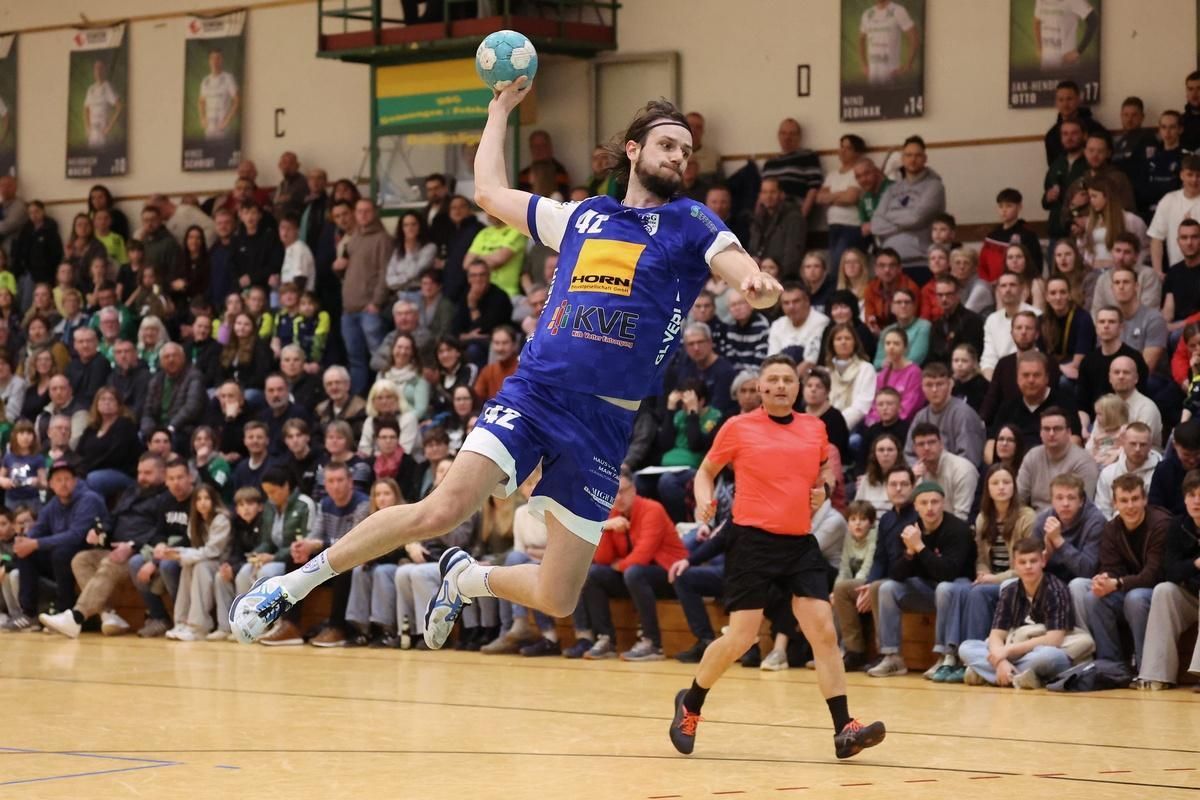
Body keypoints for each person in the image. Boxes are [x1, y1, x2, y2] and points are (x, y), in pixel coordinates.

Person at [230, 87, 782, 667]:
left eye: (686, 151)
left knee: (558, 596)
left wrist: (756, 284)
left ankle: (468, 580)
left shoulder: (691, 222)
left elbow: (741, 270)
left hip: (604, 422)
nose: (678, 157)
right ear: (634, 149)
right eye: (667, 145)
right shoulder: (582, 217)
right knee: (441, 510)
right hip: (536, 394)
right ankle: (290, 586)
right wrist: (498, 111)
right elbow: (489, 192)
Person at [663, 354, 882, 758]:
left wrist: (823, 489)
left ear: (797, 388)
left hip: (798, 542)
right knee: (741, 637)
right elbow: (706, 471)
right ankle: (690, 704)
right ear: (761, 388)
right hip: (751, 543)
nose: (781, 385)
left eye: (788, 380)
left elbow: (825, 472)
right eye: (773, 380)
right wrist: (704, 501)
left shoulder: (814, 428)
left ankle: (844, 729)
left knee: (823, 631)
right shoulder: (738, 427)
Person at [37, 453, 166, 640]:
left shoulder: (165, 498)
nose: (141, 477)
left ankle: (76, 617)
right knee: (80, 559)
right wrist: (99, 531)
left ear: (162, 473)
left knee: (109, 563)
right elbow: (112, 518)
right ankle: (108, 615)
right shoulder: (132, 491)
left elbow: (161, 532)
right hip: (115, 548)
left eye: (148, 473)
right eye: (139, 472)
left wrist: (132, 546)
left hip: (139, 552)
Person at [867, 480, 976, 679]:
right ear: (915, 506)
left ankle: (944, 657)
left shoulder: (958, 529)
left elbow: (948, 573)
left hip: (960, 589)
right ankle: (892, 657)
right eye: (924, 503)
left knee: (944, 588)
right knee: (887, 588)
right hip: (928, 590)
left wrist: (920, 547)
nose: (929, 508)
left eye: (935, 502)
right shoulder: (909, 530)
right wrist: (909, 552)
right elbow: (896, 574)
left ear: (943, 503)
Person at [1073, 474, 1170, 670]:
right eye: (1124, 501)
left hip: (1160, 590)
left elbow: (1153, 574)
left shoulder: (1161, 524)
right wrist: (1103, 579)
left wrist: (1117, 583)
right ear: (1114, 503)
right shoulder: (1111, 528)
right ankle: (1112, 667)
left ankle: (1146, 669)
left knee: (1135, 598)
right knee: (1094, 597)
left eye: (1135, 499)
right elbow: (1111, 568)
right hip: (1128, 588)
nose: (1130, 506)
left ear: (1145, 500)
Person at [958, 537, 1079, 689]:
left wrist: (1007, 651)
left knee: (1050, 657)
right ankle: (1019, 676)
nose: (1028, 566)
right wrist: (1001, 662)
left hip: (1044, 651)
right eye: (1022, 562)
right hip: (1014, 655)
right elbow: (996, 635)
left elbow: (1054, 639)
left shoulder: (1056, 590)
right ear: (1014, 564)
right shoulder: (1010, 591)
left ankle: (987, 674)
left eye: (1033, 561)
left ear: (1043, 561)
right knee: (966, 647)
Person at [832, 464, 916, 671]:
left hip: (910, 581)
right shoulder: (886, 519)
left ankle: (885, 653)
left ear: (912, 487)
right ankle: (854, 651)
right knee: (842, 589)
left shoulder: (917, 517)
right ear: (886, 488)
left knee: (880, 588)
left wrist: (874, 586)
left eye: (904, 484)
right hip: (883, 579)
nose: (898, 489)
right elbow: (879, 559)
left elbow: (913, 564)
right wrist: (867, 585)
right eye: (893, 484)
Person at [1135, 469, 1200, 689]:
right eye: (1191, 495)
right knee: (1163, 590)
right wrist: (1195, 564)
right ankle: (1157, 675)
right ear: (1184, 499)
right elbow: (1169, 571)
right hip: (1190, 595)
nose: (1197, 501)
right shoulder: (1177, 525)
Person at [870, 136, 946, 282]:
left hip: (920, 262)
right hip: (889, 265)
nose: (913, 159)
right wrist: (905, 220)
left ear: (925, 158)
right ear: (902, 159)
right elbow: (875, 225)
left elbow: (916, 218)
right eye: (908, 155)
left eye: (917, 155)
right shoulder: (892, 189)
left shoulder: (935, 186)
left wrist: (889, 215)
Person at [1017, 407, 1098, 512]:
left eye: (1057, 429)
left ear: (1069, 432)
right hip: (1034, 518)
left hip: (1069, 518)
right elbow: (1018, 498)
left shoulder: (1083, 462)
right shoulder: (1032, 456)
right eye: (1046, 429)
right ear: (1040, 433)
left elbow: (1084, 507)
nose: (1051, 433)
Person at [903, 362, 985, 466]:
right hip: (925, 472)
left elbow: (969, 458)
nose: (934, 390)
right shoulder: (920, 416)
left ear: (950, 384)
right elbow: (909, 453)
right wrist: (918, 467)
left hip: (957, 472)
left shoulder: (963, 414)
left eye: (939, 384)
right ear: (922, 387)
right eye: (929, 385)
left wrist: (940, 470)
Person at [1095, 422, 1160, 519]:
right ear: (1123, 443)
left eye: (1143, 445)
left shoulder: (1160, 474)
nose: (1137, 449)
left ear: (1150, 446)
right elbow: (1102, 511)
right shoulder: (1108, 473)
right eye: (1133, 444)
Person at [1149, 156, 1200, 279]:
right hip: (1176, 272)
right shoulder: (1169, 200)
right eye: (1190, 175)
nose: (1194, 180)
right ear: (1182, 175)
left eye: (1198, 175)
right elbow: (1156, 238)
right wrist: (1157, 271)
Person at [760, 118, 822, 213]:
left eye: (792, 134)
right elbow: (762, 194)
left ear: (799, 136)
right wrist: (757, 217)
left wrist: (801, 216)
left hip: (793, 212)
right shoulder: (769, 163)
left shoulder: (808, 157)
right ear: (778, 136)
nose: (787, 137)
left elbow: (814, 189)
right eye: (783, 133)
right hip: (769, 215)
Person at [748, 177, 805, 278]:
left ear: (782, 194)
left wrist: (781, 275)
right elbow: (753, 248)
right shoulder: (758, 218)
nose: (768, 196)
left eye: (772, 192)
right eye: (764, 192)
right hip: (760, 274)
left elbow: (793, 254)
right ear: (760, 196)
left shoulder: (794, 217)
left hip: (782, 277)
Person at [199, 48, 239, 140]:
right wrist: (202, 118)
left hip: (223, 128)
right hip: (209, 128)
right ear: (209, 61)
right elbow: (201, 101)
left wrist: (227, 120)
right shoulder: (205, 81)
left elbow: (237, 101)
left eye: (217, 58)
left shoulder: (228, 78)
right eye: (212, 58)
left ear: (221, 61)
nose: (215, 61)